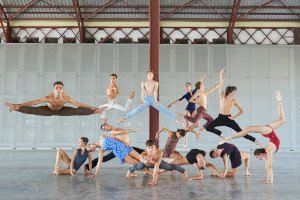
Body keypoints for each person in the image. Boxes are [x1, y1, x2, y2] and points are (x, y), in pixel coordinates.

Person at [220, 91, 286, 183]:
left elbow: (269, 166)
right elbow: (268, 166)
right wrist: (268, 179)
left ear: (261, 154)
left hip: (268, 131)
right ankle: (280, 101)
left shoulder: (268, 151)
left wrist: (270, 180)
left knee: (248, 129)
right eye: (258, 157)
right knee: (282, 120)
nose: (259, 159)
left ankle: (230, 137)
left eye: (258, 157)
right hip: (269, 132)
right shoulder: (268, 152)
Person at [205, 72, 260, 145]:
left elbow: (241, 111)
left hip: (229, 118)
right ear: (229, 92)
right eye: (234, 92)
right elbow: (221, 85)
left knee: (240, 132)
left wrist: (234, 117)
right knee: (208, 127)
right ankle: (221, 134)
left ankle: (254, 140)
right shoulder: (222, 97)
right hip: (220, 118)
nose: (235, 93)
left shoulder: (234, 101)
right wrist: (220, 74)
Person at [5, 81, 104, 116]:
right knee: (34, 110)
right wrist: (19, 105)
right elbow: (34, 103)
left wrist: (92, 108)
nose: (58, 89)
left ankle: (94, 112)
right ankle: (16, 108)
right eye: (57, 88)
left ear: (62, 89)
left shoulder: (66, 98)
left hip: (61, 110)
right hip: (48, 110)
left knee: (76, 111)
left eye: (60, 88)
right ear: (54, 89)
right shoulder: (49, 97)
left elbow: (79, 104)